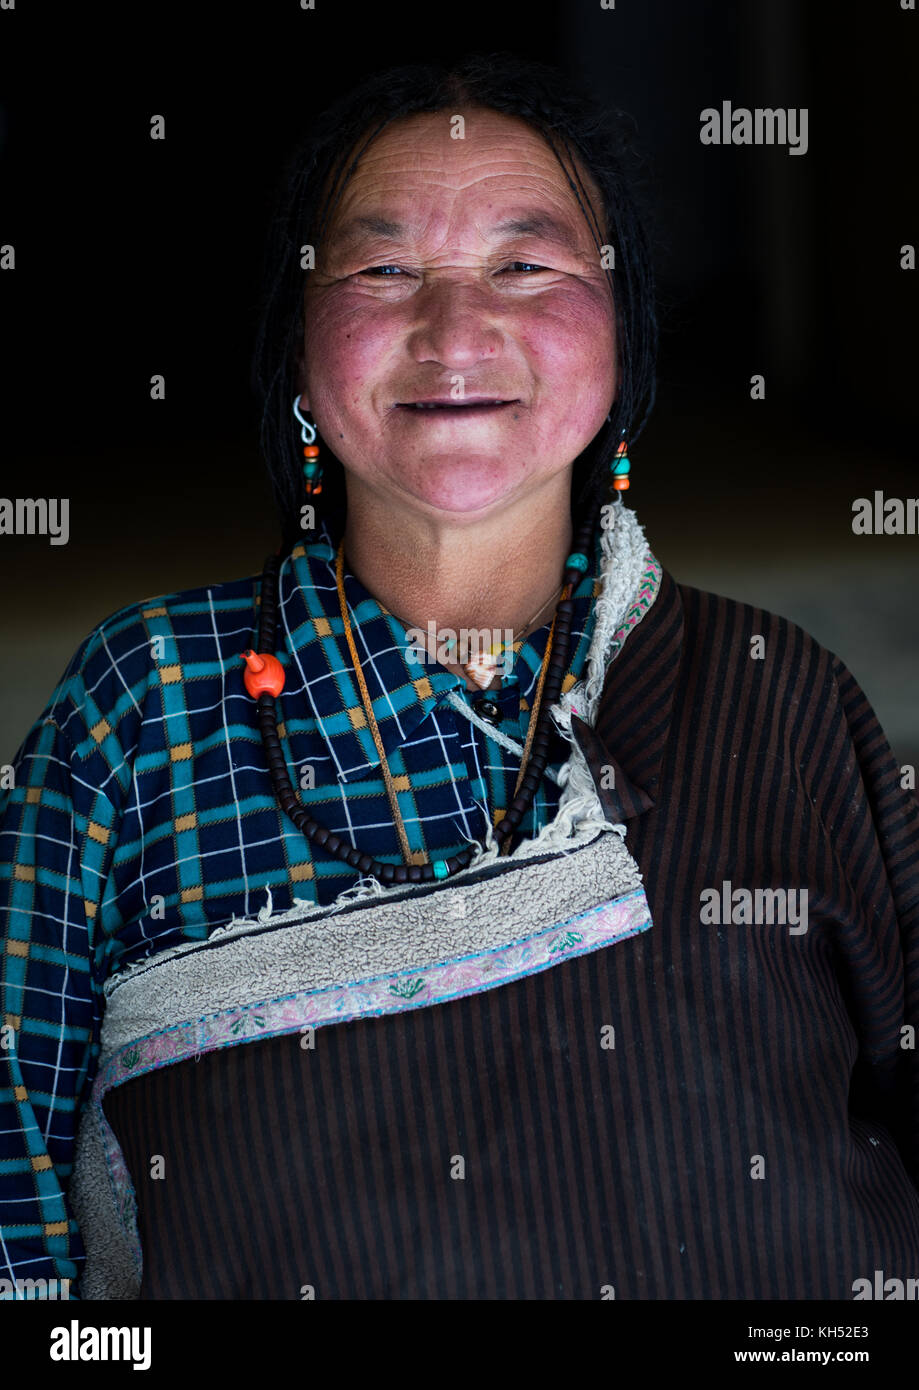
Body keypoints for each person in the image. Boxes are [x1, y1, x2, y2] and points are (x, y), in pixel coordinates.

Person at [1, 53, 917, 1302]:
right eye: (383, 270)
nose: (454, 330)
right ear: (299, 343)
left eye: (524, 264)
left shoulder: (776, 694)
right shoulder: (142, 701)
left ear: (620, 325)